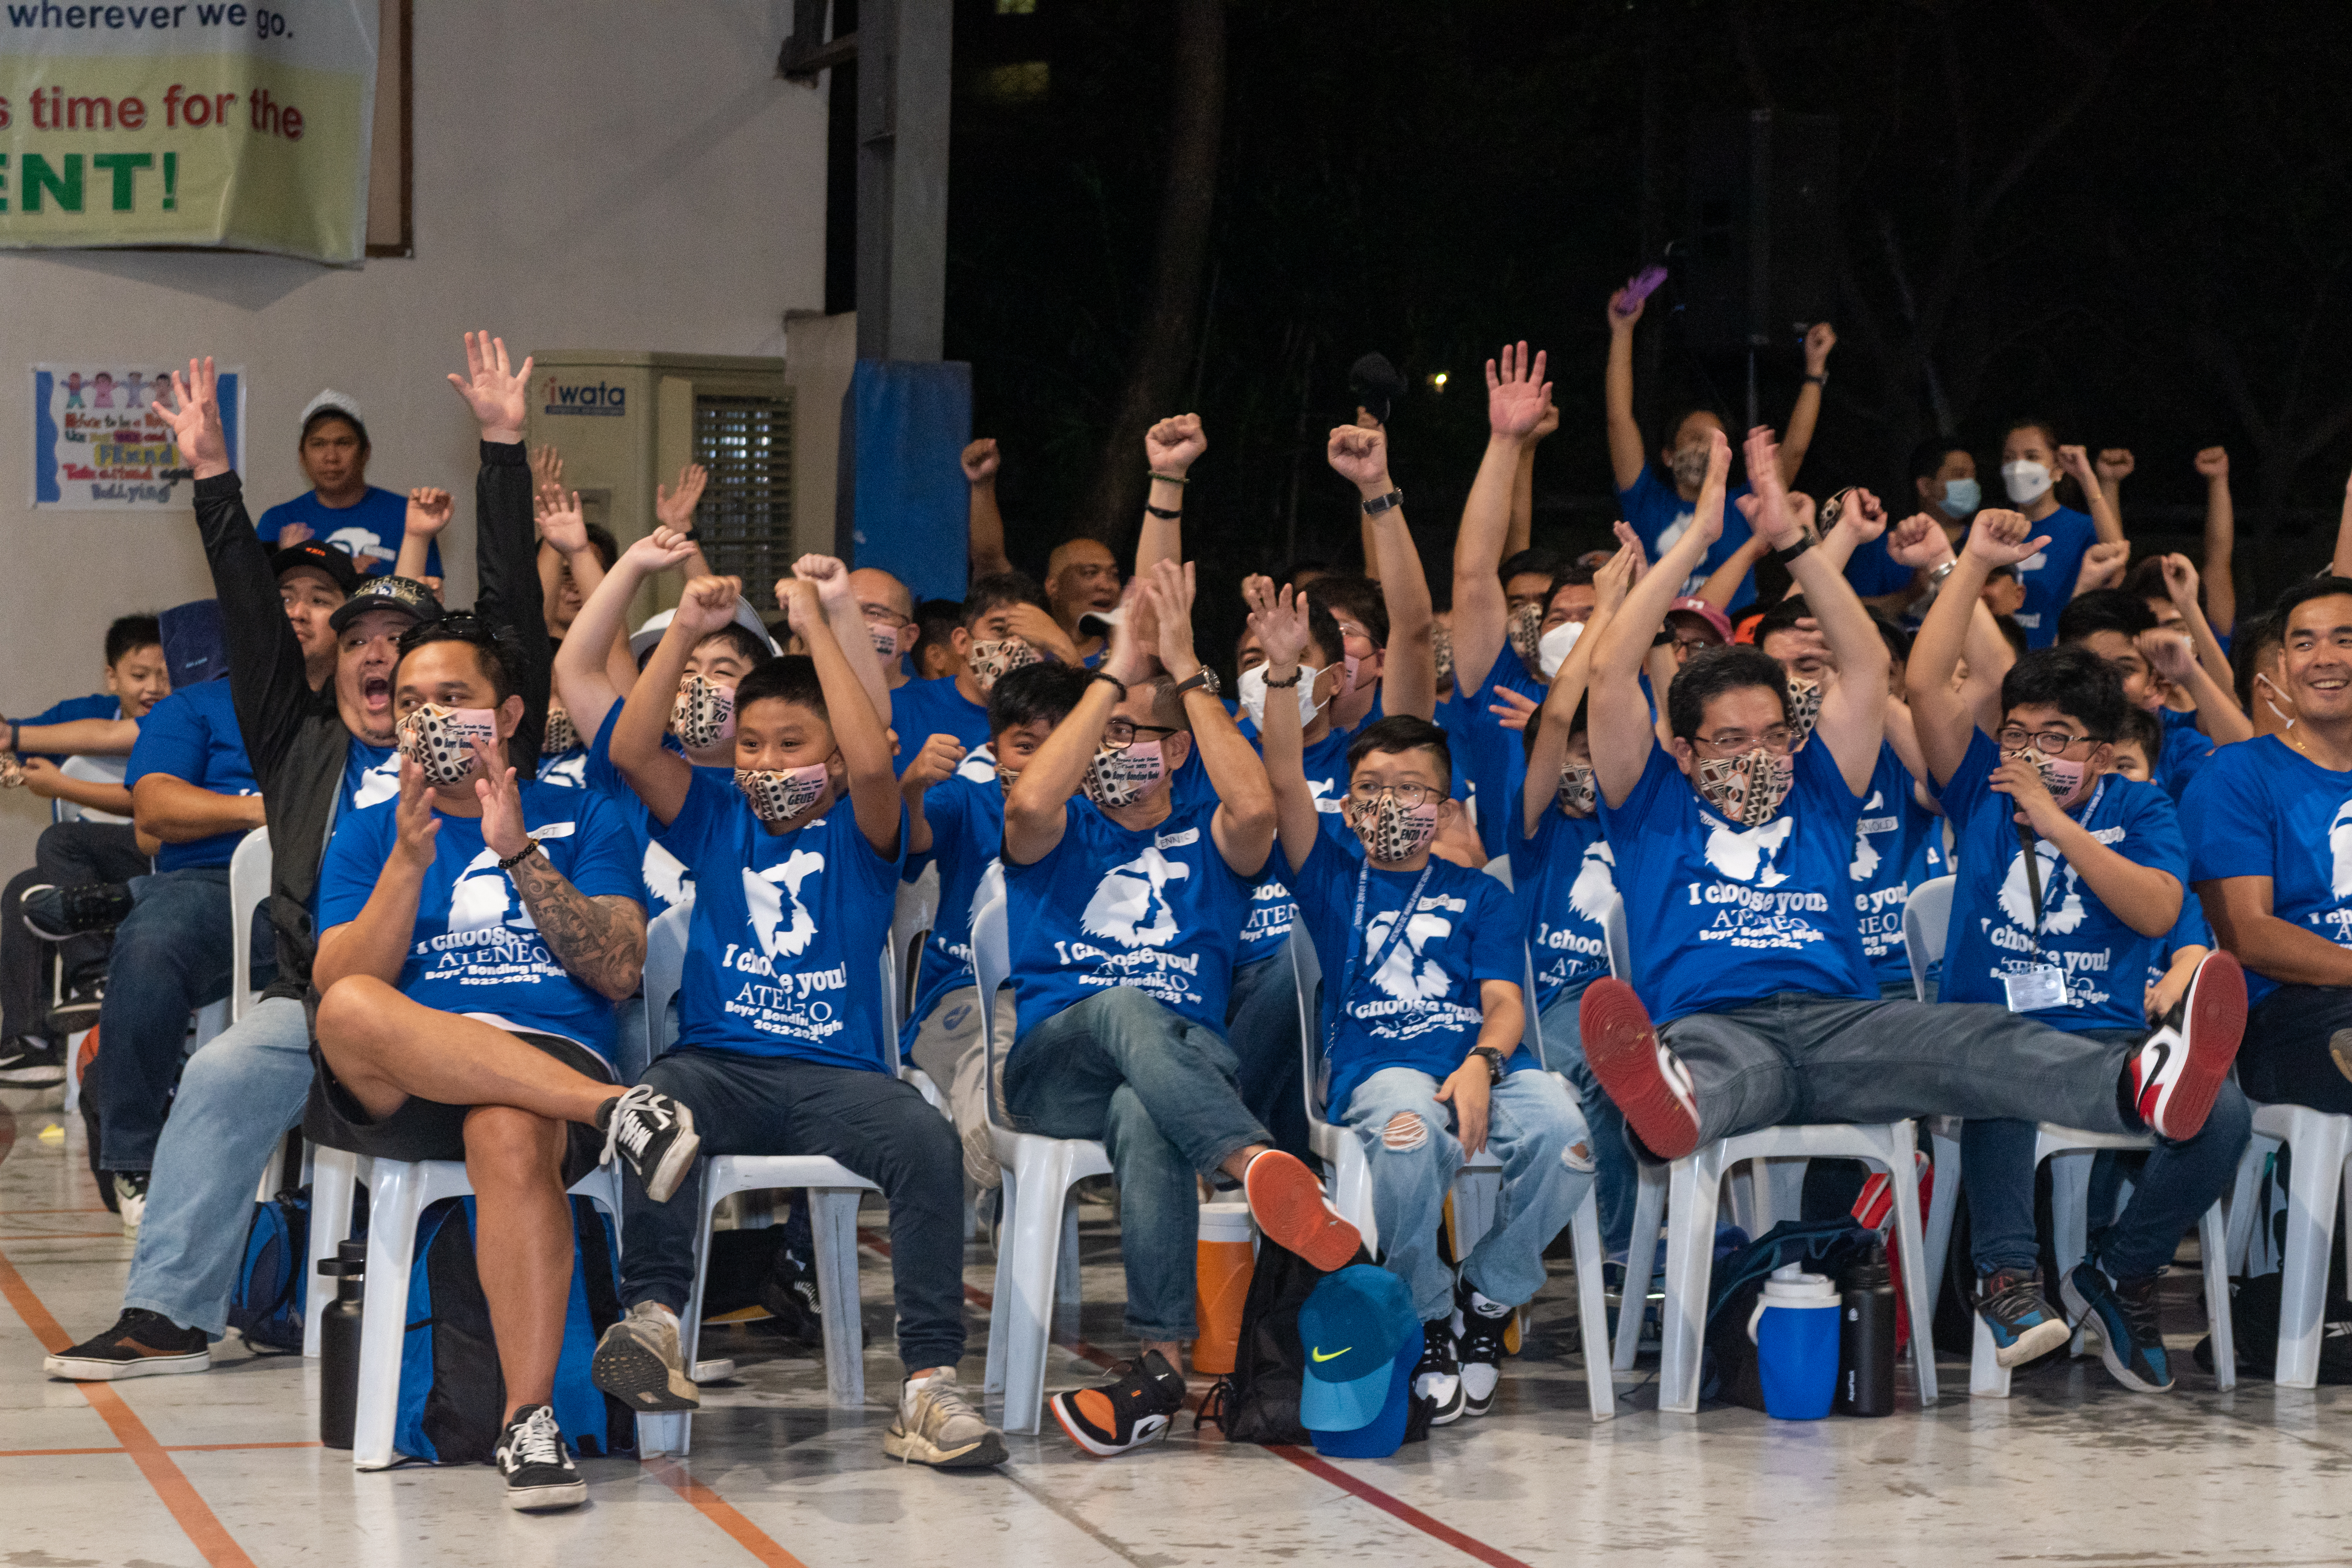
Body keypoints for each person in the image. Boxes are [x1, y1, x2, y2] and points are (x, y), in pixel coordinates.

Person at [1573, 426, 2247, 1397]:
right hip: (1718, 1027)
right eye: (1727, 739)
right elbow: (1608, 673)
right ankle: (1668, 1103)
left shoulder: (1821, 786)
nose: (1755, 751)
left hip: (1848, 1022)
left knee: (1977, 1040)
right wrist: (1702, 539)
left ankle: (2140, 1086)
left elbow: (1863, 663)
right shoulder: (1645, 800)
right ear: (1682, 748)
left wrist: (1798, 544)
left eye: (1772, 732)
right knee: (1717, 1076)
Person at [40, 338, 531, 1386]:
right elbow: (254, 618)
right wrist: (213, 475)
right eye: (358, 638)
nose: (375, 654)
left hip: (473, 993)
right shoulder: (302, 746)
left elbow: (516, 615)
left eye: (399, 642)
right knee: (221, 1067)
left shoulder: (474, 745)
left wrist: (503, 451)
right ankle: (168, 1316)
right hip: (325, 1003)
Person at [594, 565, 1005, 1468]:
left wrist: (820, 626)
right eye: (751, 744)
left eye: (790, 743)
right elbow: (629, 750)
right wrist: (686, 633)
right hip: (720, 1067)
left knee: (927, 1142)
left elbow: (870, 760)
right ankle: (656, 1321)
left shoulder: (865, 827)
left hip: (842, 1078)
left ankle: (930, 1387)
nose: (767, 764)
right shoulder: (710, 815)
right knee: (650, 1104)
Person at [307, 609, 691, 1513]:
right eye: (410, 702)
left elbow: (619, 965)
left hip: (540, 1055)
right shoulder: (369, 831)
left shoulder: (583, 813)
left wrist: (516, 847)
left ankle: (529, 1420)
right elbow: (339, 986)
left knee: (510, 1127)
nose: (429, 718)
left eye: (453, 698)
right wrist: (408, 861)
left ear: (509, 714)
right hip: (409, 1068)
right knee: (355, 1003)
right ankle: (614, 1109)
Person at [1002, 559, 1359, 1458]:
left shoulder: (1213, 842)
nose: (1117, 743)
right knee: (1124, 1005)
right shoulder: (1058, 834)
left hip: (1178, 1070)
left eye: (1138, 734)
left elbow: (1255, 801)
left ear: (1175, 751)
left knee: (1144, 1106)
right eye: (1105, 731)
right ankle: (1247, 1155)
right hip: (1057, 1061)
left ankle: (1158, 1368)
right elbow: (1033, 795)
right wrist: (1116, 672)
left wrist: (1191, 672)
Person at [1907, 506, 2251, 1389]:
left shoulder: (2140, 809)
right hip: (1995, 1039)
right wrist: (1967, 564)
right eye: (2018, 734)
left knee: (2226, 1117)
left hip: (2106, 1044)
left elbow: (2153, 910)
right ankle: (2009, 1274)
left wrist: (2057, 822)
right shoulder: (1981, 791)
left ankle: (2122, 1268)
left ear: (2101, 752)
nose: (2027, 752)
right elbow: (1921, 686)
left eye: (2054, 739)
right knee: (1995, 1062)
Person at [1258, 575, 1590, 1425]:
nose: (1391, 805)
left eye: (1412, 790)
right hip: (1382, 1070)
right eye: (1372, 788)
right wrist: (1289, 674)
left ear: (1445, 805)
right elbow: (1284, 778)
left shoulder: (1480, 893)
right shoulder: (1330, 871)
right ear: (1348, 801)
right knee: (1407, 1135)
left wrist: (1484, 1063)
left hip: (1482, 1065)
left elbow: (1506, 1004)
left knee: (1569, 1132)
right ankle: (1430, 1308)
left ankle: (1491, 1291)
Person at [899, 661, 1092, 1191]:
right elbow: (909, 839)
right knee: (992, 1057)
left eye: (1059, 748)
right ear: (993, 748)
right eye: (1025, 746)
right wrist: (913, 785)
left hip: (1069, 996)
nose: (1040, 765)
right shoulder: (965, 799)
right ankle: (1005, 1179)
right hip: (963, 995)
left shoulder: (1103, 813)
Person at [1512, 547, 1636, 1265]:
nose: (1578, 767)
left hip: (1644, 1000)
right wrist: (1606, 613)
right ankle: (1623, 1259)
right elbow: (1556, 715)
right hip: (1556, 1007)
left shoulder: (1644, 823)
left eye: (1597, 752)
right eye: (1567, 753)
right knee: (1614, 1061)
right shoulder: (1534, 832)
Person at [2189, 577, 2352, 1123]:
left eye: (2345, 640)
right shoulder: (2236, 775)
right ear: (2281, 666)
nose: (2323, 659)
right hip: (2294, 1013)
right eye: (2304, 644)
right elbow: (2247, 934)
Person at [0, 615, 171, 1084]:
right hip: (90, 873)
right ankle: (29, 1041)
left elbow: (146, 802)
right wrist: (15, 774)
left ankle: (96, 974)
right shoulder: (82, 714)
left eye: (165, 675)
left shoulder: (182, 721)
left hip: (157, 866)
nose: (154, 687)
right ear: (112, 676)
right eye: (139, 676)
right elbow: (11, 747)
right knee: (22, 888)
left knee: (60, 840)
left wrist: (61, 785)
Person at [1606, 284, 1835, 607]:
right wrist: (1622, 332)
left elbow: (1794, 451)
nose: (1706, 448)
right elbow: (1619, 419)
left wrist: (1814, 371)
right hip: (1656, 641)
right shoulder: (1645, 499)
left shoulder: (1746, 507)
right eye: (1696, 438)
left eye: (1717, 440)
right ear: (1669, 456)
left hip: (1731, 645)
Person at [256, 391, 436, 579]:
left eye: (343, 443)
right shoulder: (276, 521)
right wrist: (287, 560)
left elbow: (423, 600)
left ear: (365, 452)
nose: (331, 458)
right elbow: (254, 601)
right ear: (302, 455)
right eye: (319, 444)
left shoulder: (407, 516)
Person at [888, 572, 1062, 766]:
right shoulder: (898, 709)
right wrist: (912, 784)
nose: (1016, 647)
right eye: (1000, 630)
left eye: (1030, 638)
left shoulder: (1057, 720)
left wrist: (1064, 646)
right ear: (962, 642)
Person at [1991, 420, 2120, 648]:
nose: (2018, 467)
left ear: (2058, 470)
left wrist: (2086, 477)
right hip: (1998, 658)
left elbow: (2117, 561)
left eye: (2032, 457)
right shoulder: (1993, 528)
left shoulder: (2082, 528)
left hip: (2059, 659)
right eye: (2010, 458)